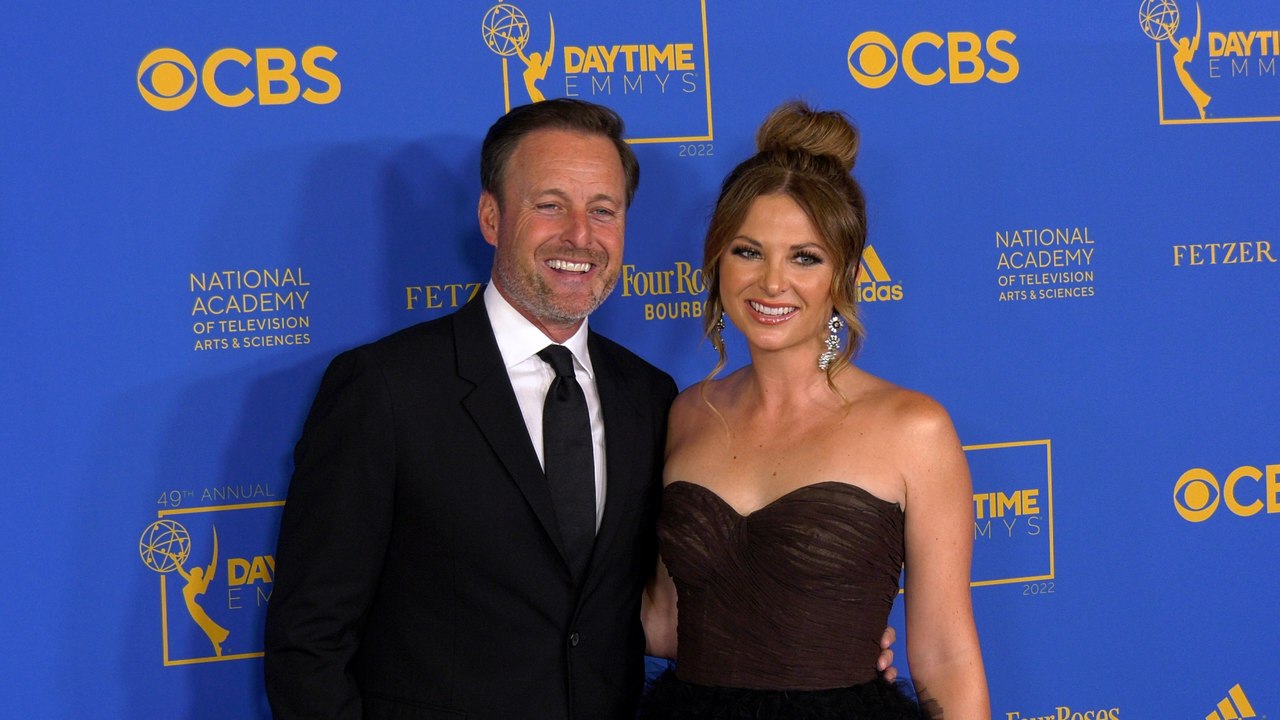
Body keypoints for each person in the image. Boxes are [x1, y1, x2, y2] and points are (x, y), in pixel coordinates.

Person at [265, 98, 898, 720]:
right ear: (491, 217)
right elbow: (309, 642)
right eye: (550, 206)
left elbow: (660, 613)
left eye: (604, 210)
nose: (580, 236)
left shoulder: (651, 399)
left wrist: (817, 635)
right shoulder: (385, 388)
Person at [641, 102, 989, 719]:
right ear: (717, 260)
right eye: (749, 251)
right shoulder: (687, 413)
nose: (772, 283)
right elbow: (666, 625)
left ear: (844, 274)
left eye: (805, 257)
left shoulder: (914, 428)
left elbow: (944, 654)